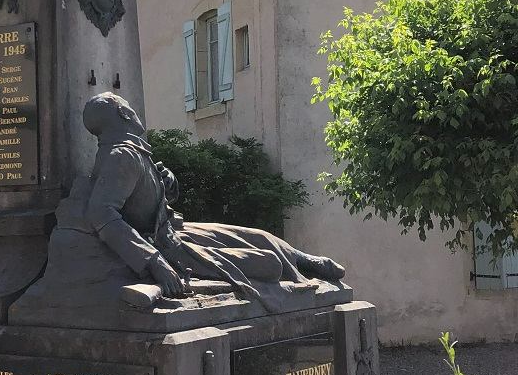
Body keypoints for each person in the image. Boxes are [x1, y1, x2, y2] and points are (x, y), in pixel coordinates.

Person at [81, 92, 345, 304]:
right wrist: (153, 261)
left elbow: (145, 204)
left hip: (173, 231)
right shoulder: (122, 156)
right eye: (130, 108)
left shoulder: (132, 151)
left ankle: (303, 260)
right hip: (164, 245)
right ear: (124, 113)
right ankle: (297, 269)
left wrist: (166, 185)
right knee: (269, 265)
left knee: (258, 235)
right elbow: (102, 213)